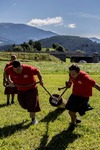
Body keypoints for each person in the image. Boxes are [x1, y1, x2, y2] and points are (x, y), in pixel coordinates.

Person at [4, 60, 44, 124]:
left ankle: (33, 119)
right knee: (23, 104)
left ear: (21, 66)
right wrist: (9, 81)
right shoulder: (10, 69)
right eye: (16, 70)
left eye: (19, 69)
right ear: (13, 68)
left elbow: (38, 72)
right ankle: (29, 108)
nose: (18, 71)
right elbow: (6, 72)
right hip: (20, 90)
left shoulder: (29, 69)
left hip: (32, 89)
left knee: (32, 104)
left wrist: (41, 80)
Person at [64, 64, 100, 131]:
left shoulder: (85, 78)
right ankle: (75, 120)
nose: (72, 75)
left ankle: (73, 124)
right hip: (74, 94)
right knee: (70, 111)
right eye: (70, 73)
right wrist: (69, 83)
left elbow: (96, 85)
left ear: (79, 72)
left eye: (74, 74)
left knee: (72, 112)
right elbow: (70, 80)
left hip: (83, 97)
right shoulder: (72, 74)